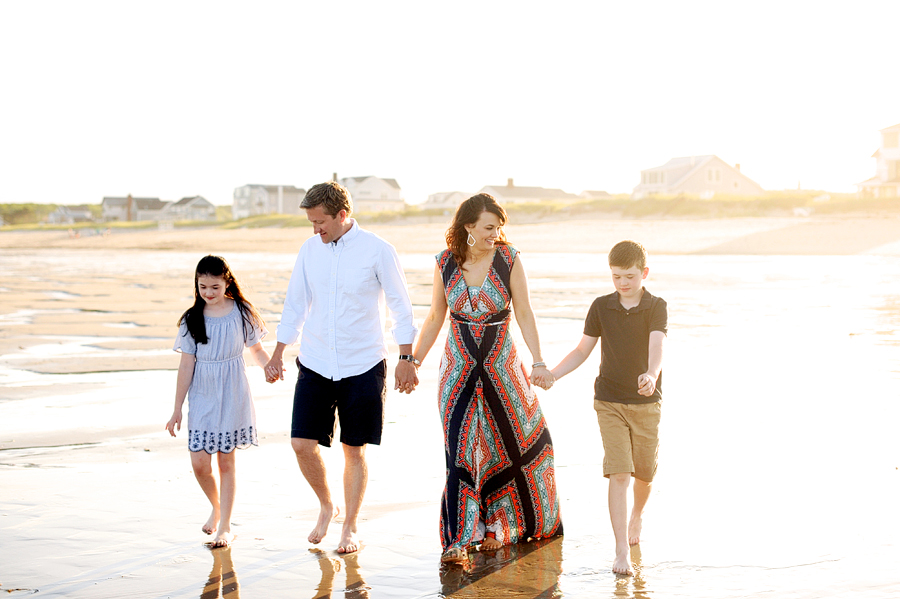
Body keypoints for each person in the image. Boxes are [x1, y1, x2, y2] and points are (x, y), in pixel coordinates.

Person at [264, 181, 419, 555]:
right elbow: (295, 303)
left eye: (320, 222)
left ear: (342, 215)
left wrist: (405, 358)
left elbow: (401, 306)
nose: (315, 230)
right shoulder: (309, 250)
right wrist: (278, 351)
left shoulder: (379, 251)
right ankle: (326, 504)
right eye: (311, 222)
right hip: (315, 361)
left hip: (363, 363)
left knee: (353, 449)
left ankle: (349, 527)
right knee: (302, 443)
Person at [411, 193, 563, 563]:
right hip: (457, 370)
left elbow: (524, 312)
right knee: (461, 450)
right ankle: (461, 538)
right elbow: (434, 317)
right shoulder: (446, 262)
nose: (496, 234)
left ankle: (501, 525)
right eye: (489, 227)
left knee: (515, 442)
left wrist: (539, 361)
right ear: (468, 227)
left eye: (499, 227)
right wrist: (411, 361)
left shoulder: (509, 259)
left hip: (503, 367)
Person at [544, 240, 667, 575]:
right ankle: (620, 552)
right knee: (620, 472)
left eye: (628, 276)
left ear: (643, 273)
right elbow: (583, 350)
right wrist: (554, 373)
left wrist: (651, 374)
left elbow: (657, 345)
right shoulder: (600, 307)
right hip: (609, 400)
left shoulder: (656, 306)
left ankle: (636, 516)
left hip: (646, 402)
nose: (622, 283)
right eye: (616, 277)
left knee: (644, 473)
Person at [166, 255, 274, 548]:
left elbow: (257, 349)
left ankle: (225, 526)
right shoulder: (191, 319)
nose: (208, 293)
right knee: (200, 463)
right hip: (202, 393)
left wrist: (269, 366)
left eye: (214, 287)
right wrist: (176, 409)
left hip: (233, 389)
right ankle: (217, 506)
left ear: (227, 282)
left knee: (227, 462)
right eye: (203, 287)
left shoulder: (242, 312)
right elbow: (186, 366)